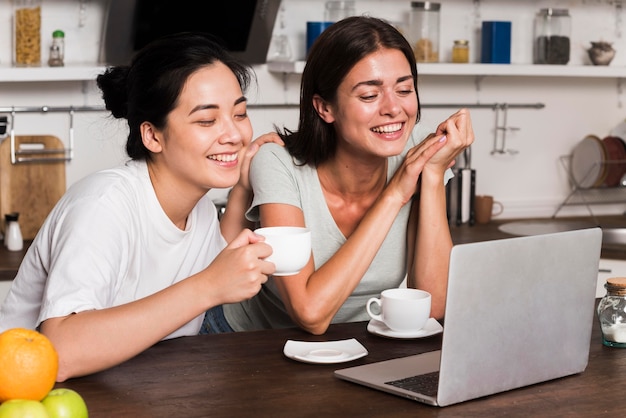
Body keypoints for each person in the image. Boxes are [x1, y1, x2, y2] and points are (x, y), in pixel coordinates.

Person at [0, 32, 282, 381]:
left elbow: (213, 260)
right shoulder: (104, 206)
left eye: (239, 114)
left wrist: (242, 185)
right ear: (152, 136)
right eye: (207, 121)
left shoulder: (201, 211)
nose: (235, 134)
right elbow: (61, 351)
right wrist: (209, 286)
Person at [208, 16, 475, 335]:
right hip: (250, 345)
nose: (394, 108)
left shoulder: (417, 157)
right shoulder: (278, 163)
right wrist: (395, 194)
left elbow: (432, 308)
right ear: (324, 108)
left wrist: (431, 175)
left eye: (404, 89)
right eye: (368, 96)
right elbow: (310, 314)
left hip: (356, 343)